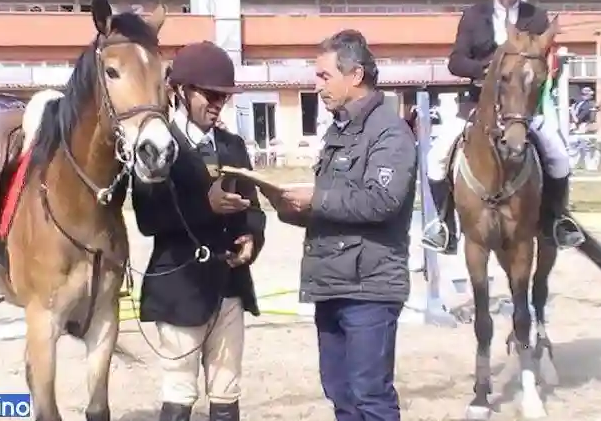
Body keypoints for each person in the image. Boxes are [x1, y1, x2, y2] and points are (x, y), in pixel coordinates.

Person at [266, 29, 418, 421]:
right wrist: (289, 207)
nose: (317, 86)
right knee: (340, 393)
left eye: (324, 76)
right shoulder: (340, 130)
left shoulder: (389, 131)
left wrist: (315, 199)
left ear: (355, 75)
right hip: (332, 284)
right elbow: (337, 205)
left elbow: (382, 201)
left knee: (371, 397)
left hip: (369, 289)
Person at [131, 41, 267, 421]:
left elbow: (254, 209)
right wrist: (206, 207)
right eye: (210, 94)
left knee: (226, 394)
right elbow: (147, 218)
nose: (218, 103)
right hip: (180, 286)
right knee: (180, 394)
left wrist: (252, 239)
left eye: (224, 96)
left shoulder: (233, 146)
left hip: (230, 285)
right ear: (180, 90)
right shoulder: (157, 146)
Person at [422, 0, 584, 254]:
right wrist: (483, 70)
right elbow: (456, 61)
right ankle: (444, 225)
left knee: (558, 155)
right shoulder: (474, 16)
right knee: (436, 158)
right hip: (477, 106)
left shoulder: (536, 17)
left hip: (522, 109)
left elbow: (542, 60)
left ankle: (557, 220)